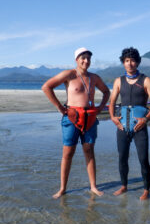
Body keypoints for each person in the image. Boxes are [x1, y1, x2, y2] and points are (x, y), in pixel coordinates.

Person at [42, 47, 110, 199]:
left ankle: (93, 186)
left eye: (88, 58)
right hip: (72, 117)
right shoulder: (69, 74)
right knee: (68, 153)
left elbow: (106, 91)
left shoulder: (94, 77)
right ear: (76, 59)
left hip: (90, 117)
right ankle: (62, 188)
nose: (86, 61)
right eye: (83, 57)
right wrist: (59, 107)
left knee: (89, 150)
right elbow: (46, 87)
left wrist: (99, 107)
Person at [109, 47, 150, 200]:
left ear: (137, 62)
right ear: (123, 63)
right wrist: (112, 117)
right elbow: (112, 102)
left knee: (143, 158)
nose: (130, 64)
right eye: (126, 61)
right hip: (122, 126)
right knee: (122, 157)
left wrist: (145, 119)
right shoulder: (119, 81)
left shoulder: (146, 80)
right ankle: (124, 185)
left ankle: (146, 189)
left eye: (132, 60)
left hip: (140, 126)